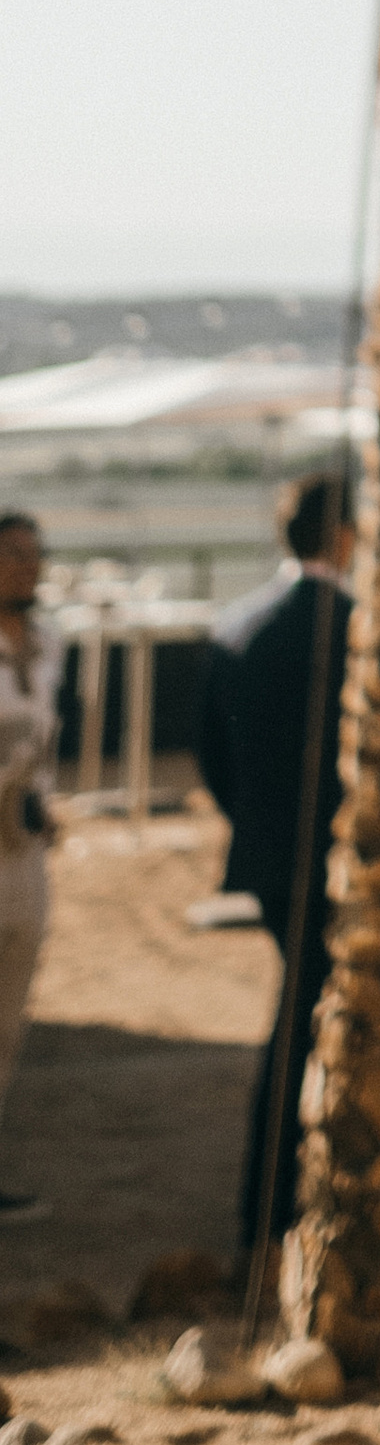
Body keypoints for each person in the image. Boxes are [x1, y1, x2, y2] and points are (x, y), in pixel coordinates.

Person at [196, 464, 356, 1272]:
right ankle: (270, 1214)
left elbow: (211, 754)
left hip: (265, 861)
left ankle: (271, 1216)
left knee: (298, 1015)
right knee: (302, 1028)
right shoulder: (356, 627)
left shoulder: (237, 626)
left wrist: (256, 826)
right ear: (347, 535)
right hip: (335, 866)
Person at [0, 512, 61, 1225]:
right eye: (11, 553)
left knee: (7, 1019)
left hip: (24, 850)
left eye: (34, 553)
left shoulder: (47, 645)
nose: (26, 564)